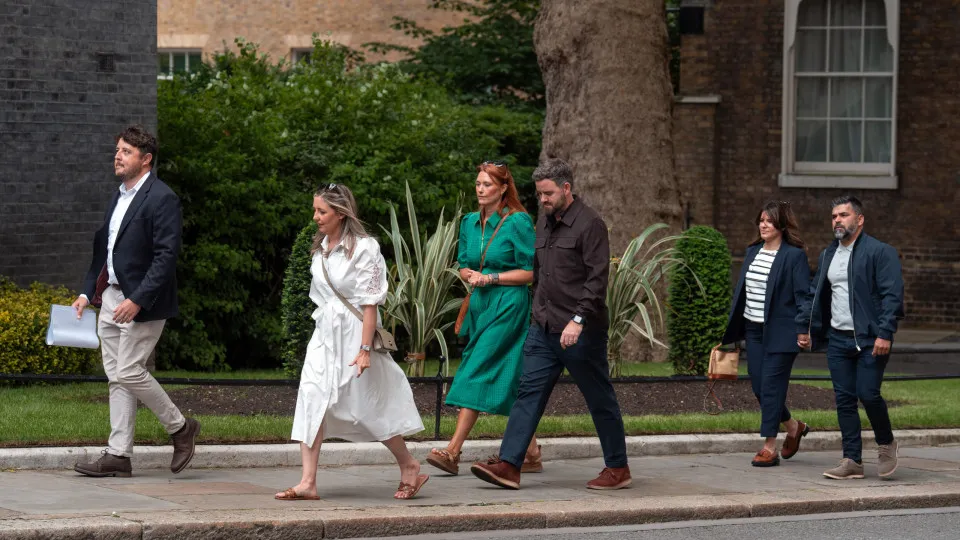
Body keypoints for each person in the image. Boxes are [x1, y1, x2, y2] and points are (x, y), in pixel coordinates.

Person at [470, 158, 631, 491]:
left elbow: (596, 281)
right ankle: (509, 465)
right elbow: (540, 274)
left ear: (566, 188)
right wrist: (536, 315)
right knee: (528, 394)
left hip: (580, 332)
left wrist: (578, 320)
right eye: (539, 194)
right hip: (543, 329)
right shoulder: (543, 222)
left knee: (599, 398)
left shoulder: (590, 224)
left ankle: (617, 468)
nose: (542, 199)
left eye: (548, 194)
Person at [275, 183, 428, 501]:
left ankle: (409, 465)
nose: (315, 217)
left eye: (322, 211)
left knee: (367, 406)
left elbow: (370, 304)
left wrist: (364, 350)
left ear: (341, 213)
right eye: (315, 210)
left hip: (356, 335)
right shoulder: (321, 248)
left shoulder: (365, 248)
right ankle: (308, 482)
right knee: (311, 397)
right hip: (324, 335)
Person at [72, 125, 200, 478]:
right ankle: (118, 454)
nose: (118, 156)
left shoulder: (162, 198)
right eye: (118, 150)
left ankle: (180, 428)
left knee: (129, 370)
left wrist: (138, 299)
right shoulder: (118, 196)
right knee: (117, 377)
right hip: (110, 296)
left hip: (143, 302)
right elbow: (104, 249)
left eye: (126, 151)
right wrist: (86, 293)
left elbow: (166, 257)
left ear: (146, 159)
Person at [426, 161, 542, 476]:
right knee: (508, 375)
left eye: (487, 184)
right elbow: (463, 263)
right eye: (478, 183)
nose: (480, 189)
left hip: (508, 303)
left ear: (503, 188)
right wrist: (470, 275)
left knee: (476, 367)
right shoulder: (468, 222)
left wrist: (491, 278)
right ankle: (531, 452)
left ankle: (452, 451)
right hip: (480, 304)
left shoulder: (517, 221)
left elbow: (531, 272)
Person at [805, 195, 905, 480]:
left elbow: (892, 296)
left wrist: (885, 333)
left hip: (870, 338)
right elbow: (815, 295)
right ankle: (852, 460)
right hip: (838, 339)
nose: (837, 220)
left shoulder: (880, 252)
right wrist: (806, 327)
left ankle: (886, 443)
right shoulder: (829, 254)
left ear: (859, 220)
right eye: (834, 216)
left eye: (844, 215)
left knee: (868, 393)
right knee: (844, 399)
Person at [720, 200, 812, 467]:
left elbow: (803, 296)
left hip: (782, 332)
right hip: (754, 330)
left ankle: (769, 446)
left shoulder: (793, 256)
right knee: (759, 386)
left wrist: (803, 328)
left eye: (769, 221)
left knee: (771, 387)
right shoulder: (752, 252)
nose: (763, 225)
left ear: (781, 224)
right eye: (761, 220)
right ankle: (793, 427)